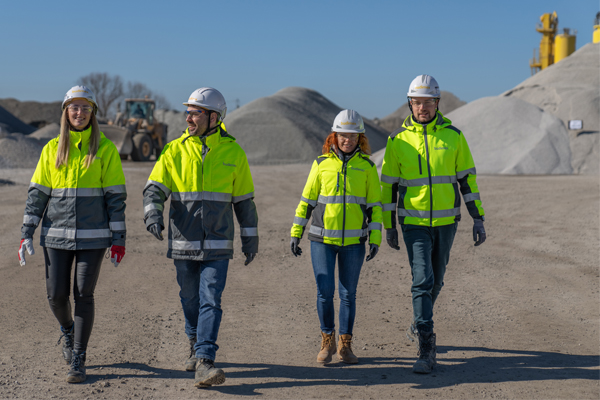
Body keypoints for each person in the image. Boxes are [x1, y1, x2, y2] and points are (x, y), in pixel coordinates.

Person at [142, 87, 258, 388]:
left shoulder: (234, 152)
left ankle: (205, 360)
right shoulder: (173, 150)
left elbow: (244, 201)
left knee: (211, 298)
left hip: (218, 242)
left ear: (213, 117)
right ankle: (193, 341)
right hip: (184, 241)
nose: (188, 117)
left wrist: (250, 238)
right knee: (189, 297)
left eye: (195, 112)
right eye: (188, 112)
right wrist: (152, 213)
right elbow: (154, 188)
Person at [18, 85, 127, 383]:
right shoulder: (52, 149)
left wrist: (119, 239)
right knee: (56, 295)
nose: (80, 113)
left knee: (84, 294)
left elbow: (115, 198)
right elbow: (37, 194)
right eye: (74, 108)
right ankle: (67, 330)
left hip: (93, 238)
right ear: (66, 112)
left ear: (93, 113)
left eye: (86, 108)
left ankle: (78, 357)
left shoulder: (105, 149)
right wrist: (27, 230)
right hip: (55, 236)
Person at [380, 75, 486, 374]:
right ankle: (427, 348)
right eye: (417, 102)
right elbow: (387, 186)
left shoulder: (454, 136)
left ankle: (418, 320)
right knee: (422, 279)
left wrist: (477, 217)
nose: (422, 107)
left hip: (446, 221)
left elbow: (467, 180)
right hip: (412, 222)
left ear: (437, 103)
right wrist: (389, 225)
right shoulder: (396, 141)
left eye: (428, 102)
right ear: (409, 104)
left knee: (436, 280)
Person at [290, 109, 382, 365]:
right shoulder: (320, 164)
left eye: (353, 135)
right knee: (324, 291)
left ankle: (345, 345)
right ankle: (327, 339)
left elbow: (375, 206)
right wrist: (296, 232)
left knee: (348, 294)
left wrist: (376, 238)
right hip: (322, 241)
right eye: (343, 134)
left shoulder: (367, 167)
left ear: (359, 138)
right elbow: (306, 201)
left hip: (354, 243)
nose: (347, 140)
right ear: (335, 135)